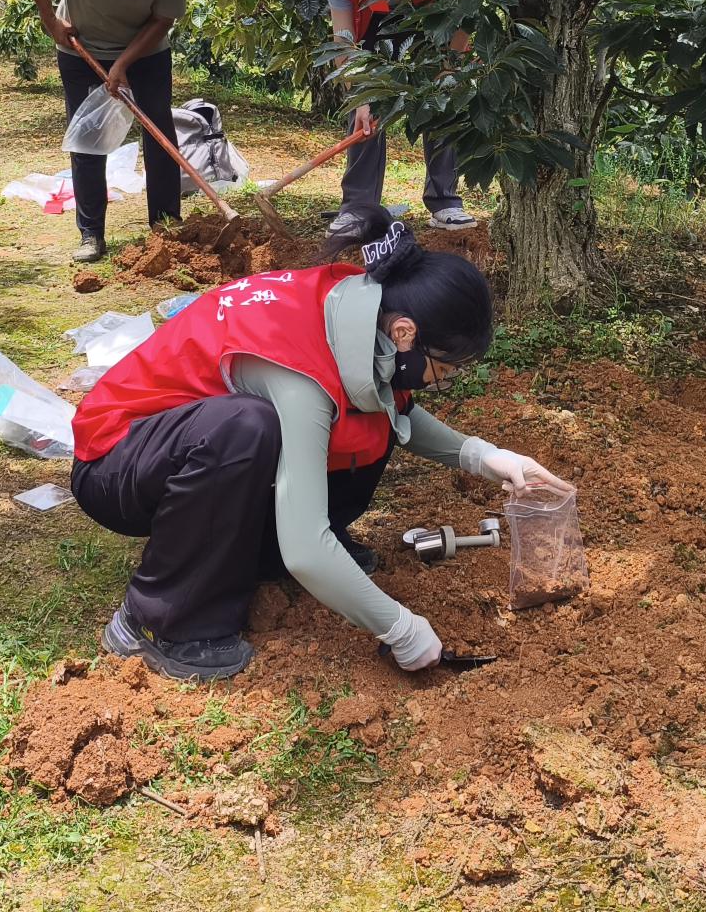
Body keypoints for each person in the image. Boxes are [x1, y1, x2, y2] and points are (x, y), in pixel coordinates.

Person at [68, 205, 565, 680]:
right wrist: (400, 627)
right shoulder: (300, 374)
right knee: (248, 425)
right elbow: (306, 548)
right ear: (406, 332)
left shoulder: (360, 313)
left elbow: (394, 412)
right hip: (118, 461)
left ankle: (261, 554)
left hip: (184, 449)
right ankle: (157, 621)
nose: (445, 380)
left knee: (362, 416)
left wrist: (488, 457)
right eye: (446, 367)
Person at [25, 0, 187, 263]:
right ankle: (91, 234)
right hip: (81, 48)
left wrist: (123, 63)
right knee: (87, 138)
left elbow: (163, 19)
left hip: (146, 52)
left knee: (158, 130)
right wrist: (50, 20)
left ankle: (166, 226)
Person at [324, 0, 477, 236]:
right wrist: (361, 94)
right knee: (363, 112)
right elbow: (343, 39)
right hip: (373, 32)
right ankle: (358, 208)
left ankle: (445, 201)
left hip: (430, 25)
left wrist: (448, 70)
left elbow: (464, 17)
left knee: (442, 99)